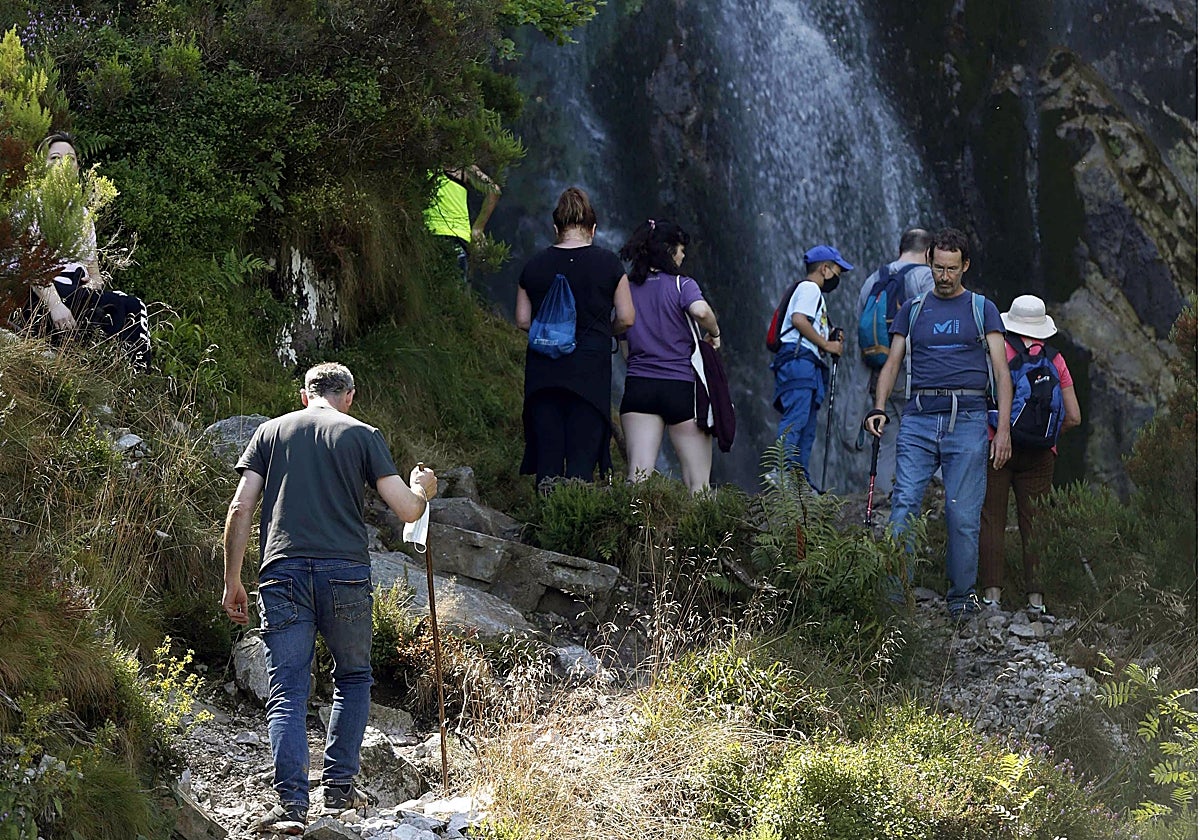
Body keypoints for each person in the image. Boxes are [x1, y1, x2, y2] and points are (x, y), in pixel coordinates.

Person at [221, 362, 437, 834]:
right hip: (345, 573)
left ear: (305, 395)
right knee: (354, 676)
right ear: (350, 397)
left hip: (282, 572)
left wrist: (232, 578)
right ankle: (338, 791)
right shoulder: (362, 434)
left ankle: (291, 805)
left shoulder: (269, 433)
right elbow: (407, 509)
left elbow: (241, 506)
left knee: (288, 689)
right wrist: (423, 488)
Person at [863, 227, 1012, 620]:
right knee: (904, 505)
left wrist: (1005, 432)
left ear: (965, 265)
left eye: (952, 269)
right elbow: (892, 362)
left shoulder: (983, 309)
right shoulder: (912, 310)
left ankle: (961, 598)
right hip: (919, 417)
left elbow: (1002, 371)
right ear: (928, 260)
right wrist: (879, 407)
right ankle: (897, 596)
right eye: (938, 268)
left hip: (969, 418)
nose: (944, 277)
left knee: (962, 514)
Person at [515, 187, 635, 485]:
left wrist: (551, 333)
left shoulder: (534, 266)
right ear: (593, 229)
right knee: (582, 460)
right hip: (589, 371)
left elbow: (522, 320)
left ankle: (544, 519)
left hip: (544, 372)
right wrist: (605, 330)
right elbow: (627, 317)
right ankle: (573, 523)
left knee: (549, 457)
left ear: (556, 229)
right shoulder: (609, 264)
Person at [978, 295, 1081, 616]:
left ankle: (991, 596)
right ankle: (1037, 601)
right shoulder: (1057, 360)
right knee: (1035, 524)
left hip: (998, 446)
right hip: (1040, 455)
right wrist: (1047, 438)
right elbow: (1074, 416)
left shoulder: (999, 352)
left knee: (992, 518)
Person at [27, 131, 151, 368]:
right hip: (43, 292)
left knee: (132, 305)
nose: (63, 163)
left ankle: (134, 377)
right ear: (41, 166)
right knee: (101, 309)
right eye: (54, 158)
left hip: (77, 290)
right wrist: (54, 305)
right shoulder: (30, 206)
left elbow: (95, 274)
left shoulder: (83, 217)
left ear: (76, 168)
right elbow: (30, 264)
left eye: (70, 158)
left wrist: (92, 284)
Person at [616, 219, 722, 492]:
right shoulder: (682, 285)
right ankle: (703, 535)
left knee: (637, 478)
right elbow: (700, 311)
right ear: (668, 250)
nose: (683, 255)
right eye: (680, 249)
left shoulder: (626, 286)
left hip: (639, 385)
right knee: (697, 485)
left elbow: (625, 346)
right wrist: (715, 333)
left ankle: (632, 531)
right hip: (680, 388)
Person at [854, 229, 935, 495]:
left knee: (886, 438)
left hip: (879, 375)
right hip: (915, 375)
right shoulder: (925, 277)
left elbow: (861, 331)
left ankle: (885, 499)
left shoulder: (873, 280)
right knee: (927, 436)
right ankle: (926, 502)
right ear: (928, 252)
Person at [770, 244, 851, 491]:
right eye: (837, 270)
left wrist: (829, 333)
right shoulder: (809, 288)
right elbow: (798, 319)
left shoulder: (814, 295)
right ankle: (781, 470)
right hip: (799, 360)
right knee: (797, 416)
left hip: (809, 363)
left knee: (806, 423)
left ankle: (799, 479)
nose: (838, 276)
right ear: (825, 269)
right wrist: (827, 344)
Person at [424, 165, 501, 280]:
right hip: (456, 239)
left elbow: (494, 190)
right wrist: (478, 228)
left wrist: (478, 228)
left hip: (431, 235)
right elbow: (494, 190)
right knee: (454, 290)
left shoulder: (462, 167)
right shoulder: (462, 166)